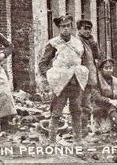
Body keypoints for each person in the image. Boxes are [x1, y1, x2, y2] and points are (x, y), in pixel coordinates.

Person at [38, 14, 89, 144]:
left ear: (72, 27)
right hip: (60, 82)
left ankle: (78, 140)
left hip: (75, 81)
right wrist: (50, 76)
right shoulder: (53, 43)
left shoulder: (78, 43)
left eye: (68, 26)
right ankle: (52, 141)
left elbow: (85, 60)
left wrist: (82, 72)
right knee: (56, 111)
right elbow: (42, 63)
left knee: (76, 110)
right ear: (59, 28)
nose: (65, 29)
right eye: (62, 26)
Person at [76, 20, 99, 139]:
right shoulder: (77, 42)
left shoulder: (89, 42)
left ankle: (83, 131)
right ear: (79, 29)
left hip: (89, 78)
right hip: (79, 79)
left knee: (86, 105)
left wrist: (94, 44)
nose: (88, 31)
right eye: (85, 28)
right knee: (80, 105)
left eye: (90, 28)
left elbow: (96, 57)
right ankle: (80, 132)